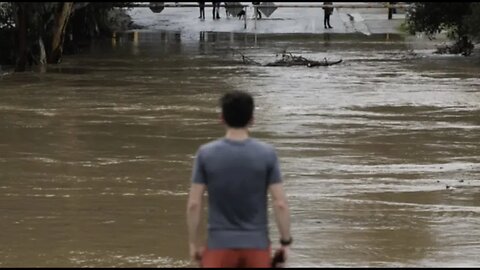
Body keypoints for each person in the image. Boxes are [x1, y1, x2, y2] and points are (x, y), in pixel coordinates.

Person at [186, 91, 292, 268]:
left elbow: (194, 204)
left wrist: (192, 244)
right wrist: (285, 242)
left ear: (222, 118)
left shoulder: (205, 153)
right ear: (252, 119)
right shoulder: (267, 153)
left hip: (218, 245)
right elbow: (280, 203)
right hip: (256, 245)